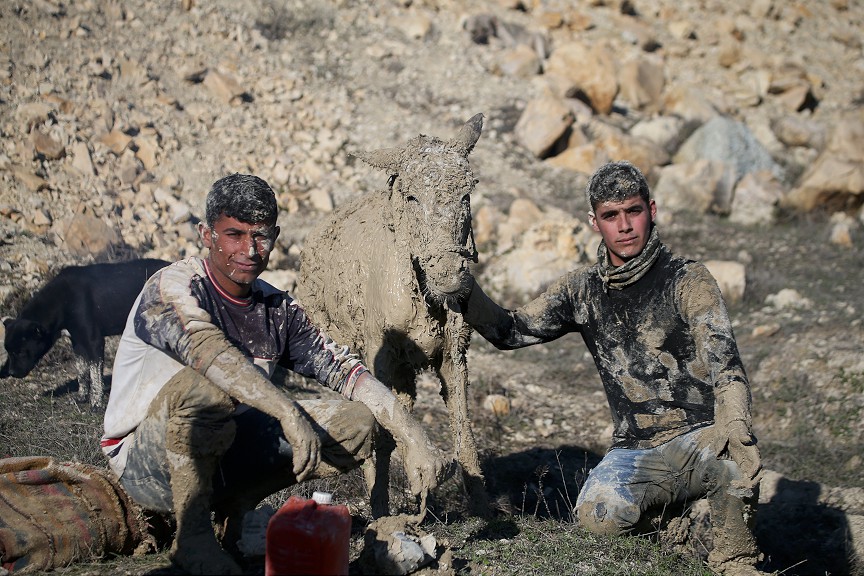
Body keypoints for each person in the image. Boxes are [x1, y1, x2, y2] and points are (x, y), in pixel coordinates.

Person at [100, 173, 446, 575]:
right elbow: (209, 353)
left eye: (261, 236)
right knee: (207, 388)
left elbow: (345, 370)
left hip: (222, 449)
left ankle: (236, 509)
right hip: (146, 461)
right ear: (205, 234)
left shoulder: (275, 308)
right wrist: (287, 411)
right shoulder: (174, 285)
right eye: (234, 234)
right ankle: (191, 539)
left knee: (356, 424)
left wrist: (411, 434)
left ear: (276, 236)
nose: (249, 249)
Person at [462, 161, 762, 575]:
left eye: (633, 211)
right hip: (634, 451)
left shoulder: (688, 279)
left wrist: (735, 423)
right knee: (596, 517)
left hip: (698, 437)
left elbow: (726, 364)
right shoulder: (581, 290)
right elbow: (510, 332)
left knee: (732, 466)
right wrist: (462, 287)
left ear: (651, 211)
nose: (624, 225)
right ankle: (671, 526)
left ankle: (737, 563)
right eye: (610, 216)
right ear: (594, 222)